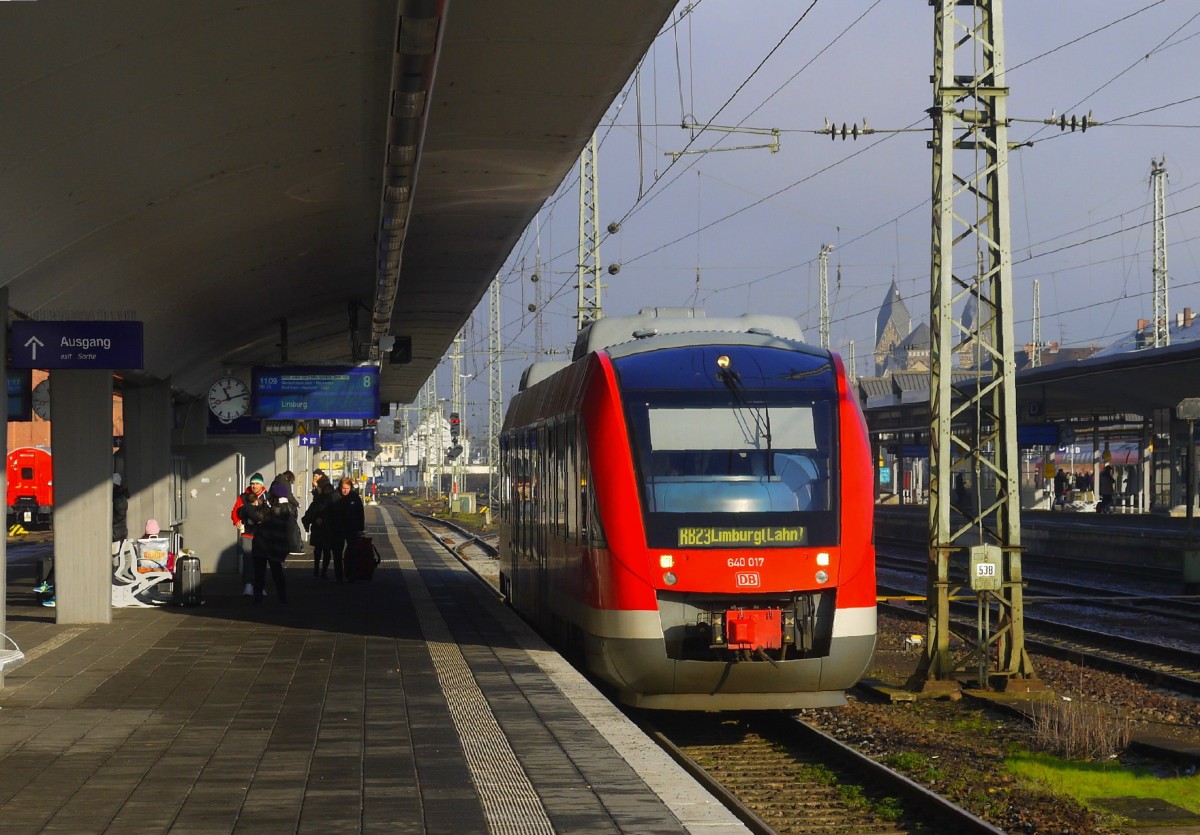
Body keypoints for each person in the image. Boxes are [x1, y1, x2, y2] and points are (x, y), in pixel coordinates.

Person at [239, 479, 294, 604]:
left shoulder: (268, 507)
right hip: (275, 545)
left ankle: (258, 600)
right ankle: (282, 599)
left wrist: (255, 507)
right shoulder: (287, 509)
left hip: (263, 544)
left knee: (260, 574)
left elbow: (256, 516)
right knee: (276, 573)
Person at [232, 473, 269, 596]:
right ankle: (248, 585)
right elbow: (234, 511)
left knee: (261, 560)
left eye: (257, 483)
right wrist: (236, 521)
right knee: (248, 559)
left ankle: (260, 586)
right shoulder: (243, 497)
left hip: (263, 534)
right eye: (252, 483)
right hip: (247, 533)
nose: (254, 486)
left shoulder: (267, 497)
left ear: (262, 485)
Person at [303, 473, 339, 580]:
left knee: (318, 551)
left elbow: (311, 512)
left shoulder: (319, 500)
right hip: (327, 529)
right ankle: (322, 572)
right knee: (326, 551)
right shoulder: (334, 500)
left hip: (320, 529)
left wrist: (312, 520)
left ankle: (317, 571)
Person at [331, 477, 365, 581]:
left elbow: (360, 512)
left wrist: (360, 528)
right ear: (340, 487)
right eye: (343, 488)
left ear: (351, 487)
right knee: (337, 553)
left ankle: (351, 574)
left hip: (351, 528)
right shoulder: (334, 496)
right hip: (337, 528)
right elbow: (328, 511)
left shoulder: (354, 497)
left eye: (348, 488)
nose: (345, 491)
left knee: (352, 552)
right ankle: (339, 576)